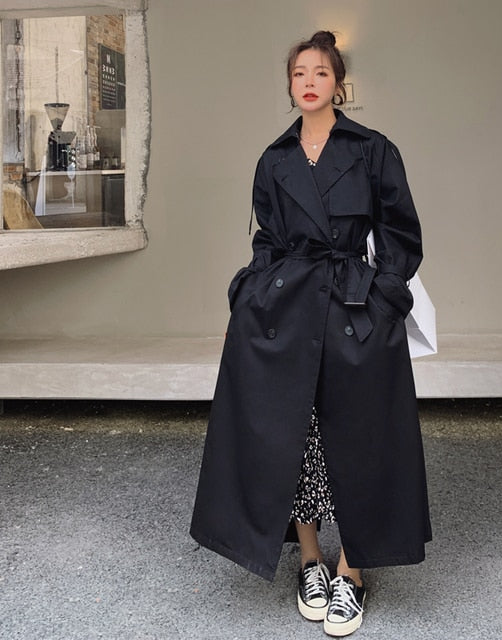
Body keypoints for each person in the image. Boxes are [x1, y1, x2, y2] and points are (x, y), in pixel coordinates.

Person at [190, 30, 431, 637]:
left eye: (320, 72)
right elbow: (268, 241)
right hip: (289, 307)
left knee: (362, 437)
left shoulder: (373, 150)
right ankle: (311, 560)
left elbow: (401, 235)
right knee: (295, 436)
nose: (309, 82)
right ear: (290, 83)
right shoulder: (274, 159)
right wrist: (251, 295)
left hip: (355, 307)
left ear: (338, 83)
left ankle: (352, 570)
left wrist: (384, 298)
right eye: (299, 73)